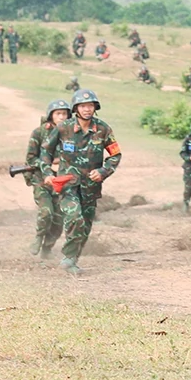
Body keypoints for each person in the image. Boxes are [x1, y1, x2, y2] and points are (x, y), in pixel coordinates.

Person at [39, 89, 122, 274]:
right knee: (74, 217)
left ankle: (72, 259)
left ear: (95, 108)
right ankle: (68, 259)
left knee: (84, 225)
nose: (87, 109)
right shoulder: (63, 128)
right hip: (67, 184)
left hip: (91, 187)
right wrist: (47, 173)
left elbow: (116, 154)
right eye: (83, 106)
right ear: (76, 108)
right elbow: (45, 152)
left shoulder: (103, 129)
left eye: (90, 106)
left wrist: (104, 171)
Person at [25, 100, 71, 258]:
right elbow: (31, 159)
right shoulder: (39, 133)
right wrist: (47, 164)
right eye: (58, 113)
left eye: (65, 114)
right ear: (51, 115)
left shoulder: (73, 133)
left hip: (64, 182)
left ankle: (47, 248)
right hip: (42, 180)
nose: (62, 117)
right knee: (46, 213)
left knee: (59, 220)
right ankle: (39, 237)